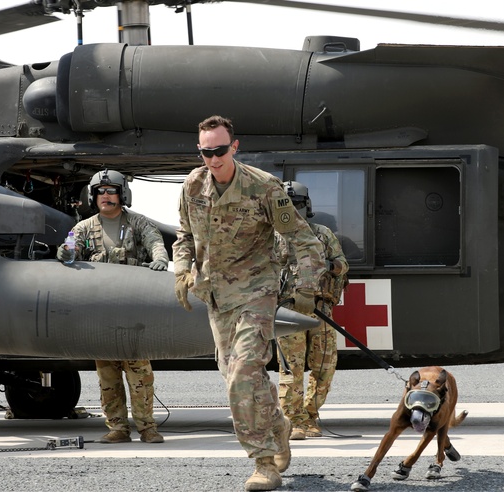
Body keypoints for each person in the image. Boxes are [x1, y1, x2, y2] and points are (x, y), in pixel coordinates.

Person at [172, 115, 326, 491]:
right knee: (239, 377)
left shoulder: (263, 187)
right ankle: (279, 425)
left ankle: (264, 463)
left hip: (257, 292)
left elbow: (304, 241)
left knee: (242, 376)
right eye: (206, 152)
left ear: (234, 147)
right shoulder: (192, 186)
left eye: (220, 150)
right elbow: (184, 234)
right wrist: (181, 270)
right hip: (216, 297)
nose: (213, 159)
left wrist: (306, 288)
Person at [57, 169, 168, 444]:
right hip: (101, 315)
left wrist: (160, 259)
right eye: (100, 192)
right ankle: (117, 427)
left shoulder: (138, 224)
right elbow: (69, 250)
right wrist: (66, 252)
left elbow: (156, 245)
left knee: (140, 374)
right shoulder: (83, 228)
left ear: (122, 195)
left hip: (133, 312)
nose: (105, 196)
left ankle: (147, 428)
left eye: (111, 191)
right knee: (107, 376)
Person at [273, 181, 349, 441]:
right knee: (290, 370)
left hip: (320, 310)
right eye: (288, 205)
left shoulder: (322, 233)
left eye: (298, 205)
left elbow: (342, 265)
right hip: (287, 312)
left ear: (307, 206)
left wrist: (325, 263)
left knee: (325, 367)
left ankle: (310, 415)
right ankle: (293, 421)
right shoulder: (271, 237)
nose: (294, 211)